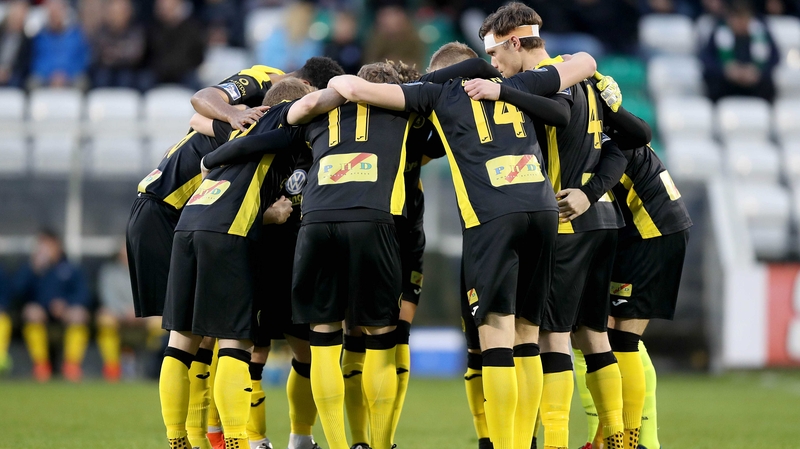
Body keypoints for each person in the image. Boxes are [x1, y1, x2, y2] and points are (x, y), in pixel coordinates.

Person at [327, 49, 597, 449]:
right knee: (528, 335)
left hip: (491, 216)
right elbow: (587, 63)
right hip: (543, 210)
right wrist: (489, 78)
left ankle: (502, 444)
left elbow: (347, 85)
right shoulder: (515, 84)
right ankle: (527, 442)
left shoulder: (434, 94)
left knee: (496, 336)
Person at [157, 82, 343, 449]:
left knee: (181, 342)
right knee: (234, 342)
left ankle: (177, 439)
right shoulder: (277, 117)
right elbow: (312, 102)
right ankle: (239, 441)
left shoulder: (241, 127)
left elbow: (198, 119)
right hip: (228, 230)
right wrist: (351, 89)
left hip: (190, 222)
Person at [571, 81, 692, 449]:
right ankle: (612, 437)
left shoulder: (605, 132)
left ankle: (627, 441)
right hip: (642, 233)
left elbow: (617, 162)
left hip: (652, 233)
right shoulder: (606, 126)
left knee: (622, 341)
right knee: (606, 340)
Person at [15, 230, 90, 382]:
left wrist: (67, 305)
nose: (45, 249)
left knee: (79, 314)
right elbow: (17, 292)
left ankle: (72, 365)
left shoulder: (71, 268)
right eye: (42, 245)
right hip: (41, 313)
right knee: (31, 312)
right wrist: (33, 270)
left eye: (49, 244)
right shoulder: (32, 268)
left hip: (66, 314)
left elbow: (84, 294)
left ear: (58, 246)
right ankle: (41, 365)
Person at [96, 241, 162, 382]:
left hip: (144, 315)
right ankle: (112, 366)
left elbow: (154, 295)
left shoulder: (148, 271)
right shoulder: (110, 272)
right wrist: (123, 311)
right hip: (118, 316)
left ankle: (151, 364)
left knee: (161, 323)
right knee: (105, 320)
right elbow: (108, 297)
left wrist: (140, 311)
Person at [700, 0, 780, 102]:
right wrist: (726, 71)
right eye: (737, 18)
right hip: (727, 84)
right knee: (714, 82)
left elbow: (774, 58)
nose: (740, 23)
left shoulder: (761, 31)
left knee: (767, 84)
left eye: (744, 18)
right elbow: (706, 59)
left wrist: (757, 72)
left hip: (754, 84)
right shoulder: (719, 31)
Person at [143, 0, 206, 90]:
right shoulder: (152, 28)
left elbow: (197, 55)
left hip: (185, 73)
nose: (163, 6)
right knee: (143, 80)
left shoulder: (192, 27)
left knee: (196, 83)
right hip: (158, 73)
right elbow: (147, 55)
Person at [29, 0, 91, 89]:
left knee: (82, 82)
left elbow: (82, 60)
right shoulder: (40, 37)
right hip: (46, 77)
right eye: (52, 13)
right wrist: (50, 75)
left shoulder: (76, 36)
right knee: (32, 83)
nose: (55, 16)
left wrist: (66, 74)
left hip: (71, 77)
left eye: (57, 12)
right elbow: (36, 61)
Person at [90, 0, 146, 89]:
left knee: (126, 78)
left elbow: (135, 54)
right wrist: (121, 51)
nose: (117, 16)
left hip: (130, 70)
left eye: (120, 12)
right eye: (114, 12)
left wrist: (113, 54)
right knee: (101, 78)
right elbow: (99, 53)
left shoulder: (135, 30)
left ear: (128, 13)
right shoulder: (102, 31)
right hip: (106, 70)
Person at [0, 0, 31, 88]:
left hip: (13, 75)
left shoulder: (27, 41)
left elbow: (24, 64)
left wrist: (8, 72)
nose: (17, 18)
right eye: (15, 15)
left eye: (20, 16)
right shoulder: (1, 35)